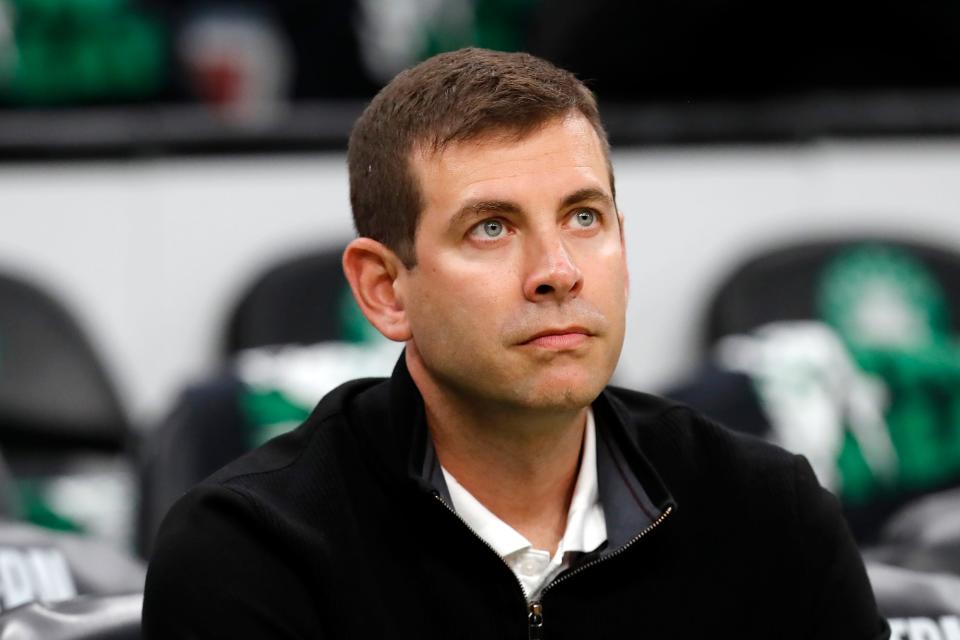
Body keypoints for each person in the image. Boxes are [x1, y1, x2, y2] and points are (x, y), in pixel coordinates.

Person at [142, 48, 889, 639]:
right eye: (491, 228)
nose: (557, 272)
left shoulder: (768, 515)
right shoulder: (253, 550)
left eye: (584, 218)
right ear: (384, 289)